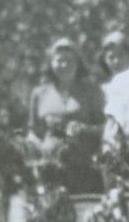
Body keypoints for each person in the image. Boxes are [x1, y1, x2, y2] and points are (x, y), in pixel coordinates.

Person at [26, 37, 104, 192]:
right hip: (51, 167)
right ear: (51, 63)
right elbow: (33, 132)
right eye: (59, 60)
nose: (64, 65)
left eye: (70, 60)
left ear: (78, 63)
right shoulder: (39, 94)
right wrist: (40, 150)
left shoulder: (91, 91)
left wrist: (84, 128)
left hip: (84, 165)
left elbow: (105, 127)